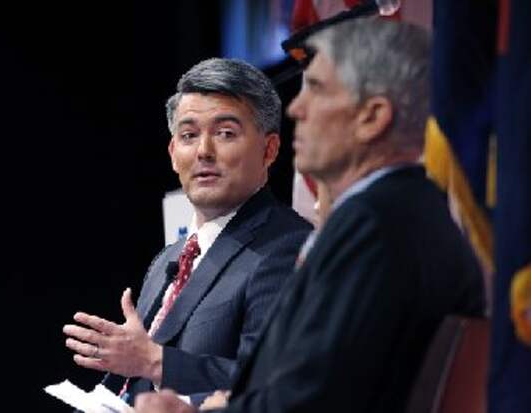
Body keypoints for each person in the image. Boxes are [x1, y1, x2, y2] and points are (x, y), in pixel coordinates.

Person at [134, 18, 486, 413]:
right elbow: (314, 381)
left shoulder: (376, 226)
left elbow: (312, 402)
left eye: (316, 89)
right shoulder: (401, 212)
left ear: (372, 116)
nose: (296, 107)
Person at [62, 58, 312, 405]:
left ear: (269, 149)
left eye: (225, 133)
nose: (204, 151)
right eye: (189, 135)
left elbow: (272, 380)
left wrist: (153, 360)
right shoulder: (169, 257)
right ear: (172, 153)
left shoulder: (287, 246)